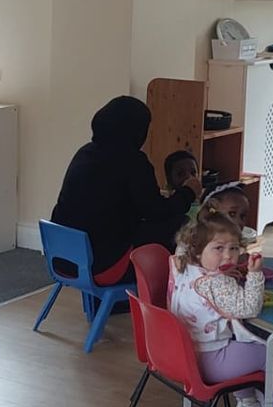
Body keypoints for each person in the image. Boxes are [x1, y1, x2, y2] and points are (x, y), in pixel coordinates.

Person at [168, 210, 273, 407]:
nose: (228, 256)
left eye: (234, 248)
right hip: (212, 363)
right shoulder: (217, 283)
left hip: (185, 358)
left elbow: (184, 248)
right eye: (219, 248)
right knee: (266, 351)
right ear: (197, 250)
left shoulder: (183, 267)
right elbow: (249, 308)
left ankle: (247, 404)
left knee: (239, 341)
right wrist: (255, 275)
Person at [51, 95, 197, 282]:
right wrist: (188, 192)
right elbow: (156, 212)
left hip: (63, 257)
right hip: (101, 263)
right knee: (180, 224)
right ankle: (169, 290)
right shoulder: (133, 162)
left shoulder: (85, 153)